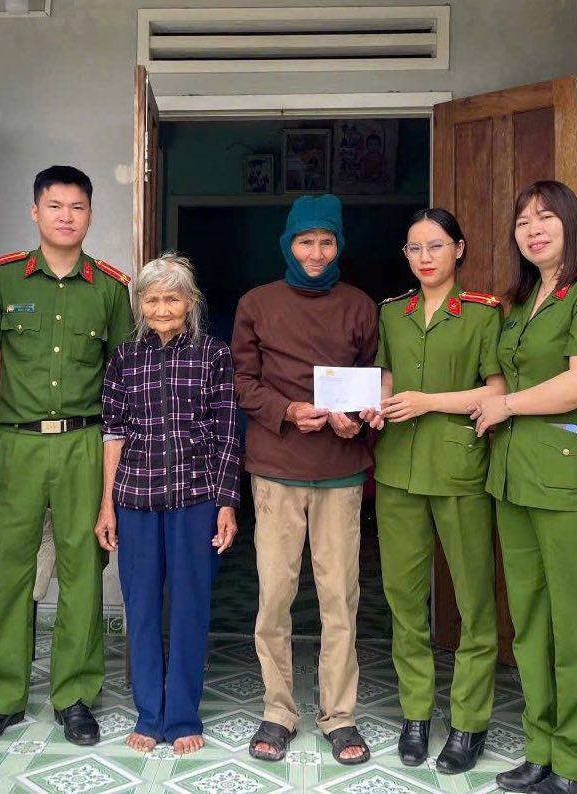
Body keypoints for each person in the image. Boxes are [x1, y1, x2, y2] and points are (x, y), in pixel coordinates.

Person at [0, 165, 133, 749]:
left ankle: (75, 695)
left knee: (83, 570)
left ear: (90, 215)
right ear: (35, 212)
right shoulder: (4, 279)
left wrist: (114, 461)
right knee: (11, 570)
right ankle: (2, 697)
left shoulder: (110, 289)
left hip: (84, 442)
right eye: (55, 206)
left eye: (77, 207)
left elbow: (120, 379)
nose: (66, 216)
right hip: (15, 441)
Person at [472, 180, 577, 794]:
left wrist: (507, 405)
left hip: (573, 487)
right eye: (522, 222)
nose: (533, 230)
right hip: (515, 482)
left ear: (570, 224)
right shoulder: (517, 303)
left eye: (545, 218)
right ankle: (541, 747)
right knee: (531, 623)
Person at [231, 194, 377, 766]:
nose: (315, 253)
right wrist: (289, 410)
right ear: (287, 244)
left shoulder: (360, 306)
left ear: (340, 245)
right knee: (275, 595)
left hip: (340, 471)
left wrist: (355, 416)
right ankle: (279, 710)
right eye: (305, 241)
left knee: (340, 597)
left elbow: (372, 378)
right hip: (277, 469)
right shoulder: (257, 304)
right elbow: (242, 381)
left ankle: (339, 714)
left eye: (326, 241)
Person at [361, 208, 505, 773]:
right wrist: (378, 403)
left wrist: (427, 402)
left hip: (459, 471)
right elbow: (388, 376)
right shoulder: (391, 313)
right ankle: (416, 714)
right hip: (397, 471)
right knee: (403, 599)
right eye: (415, 248)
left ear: (458, 249)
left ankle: (468, 722)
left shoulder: (483, 313)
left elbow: (495, 391)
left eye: (436, 246)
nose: (425, 257)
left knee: (474, 601)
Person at [96, 254, 240, 756]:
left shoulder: (213, 354)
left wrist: (227, 502)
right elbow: (112, 434)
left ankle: (181, 715)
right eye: (152, 299)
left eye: (172, 298)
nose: (161, 308)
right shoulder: (124, 358)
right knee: (139, 606)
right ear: (139, 304)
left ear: (190, 302)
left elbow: (226, 434)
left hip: (195, 497)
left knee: (189, 606)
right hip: (135, 497)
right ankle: (148, 714)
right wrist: (107, 505)